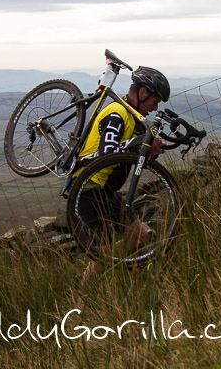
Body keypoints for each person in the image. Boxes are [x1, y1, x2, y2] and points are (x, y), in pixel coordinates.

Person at [73, 66, 171, 281]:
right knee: (102, 254)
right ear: (142, 93)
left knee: (142, 238)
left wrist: (148, 151)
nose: (155, 108)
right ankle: (85, 285)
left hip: (107, 190)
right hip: (90, 189)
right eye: (154, 101)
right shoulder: (117, 113)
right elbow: (108, 153)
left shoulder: (134, 118)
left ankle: (88, 277)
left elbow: (131, 156)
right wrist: (139, 148)